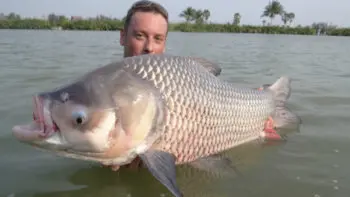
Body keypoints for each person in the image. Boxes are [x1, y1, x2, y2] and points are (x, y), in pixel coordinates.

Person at [104, 0, 169, 172]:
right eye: (140, 35)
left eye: (158, 39)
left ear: (165, 42)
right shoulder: (102, 87)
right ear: (122, 37)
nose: (149, 48)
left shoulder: (178, 86)